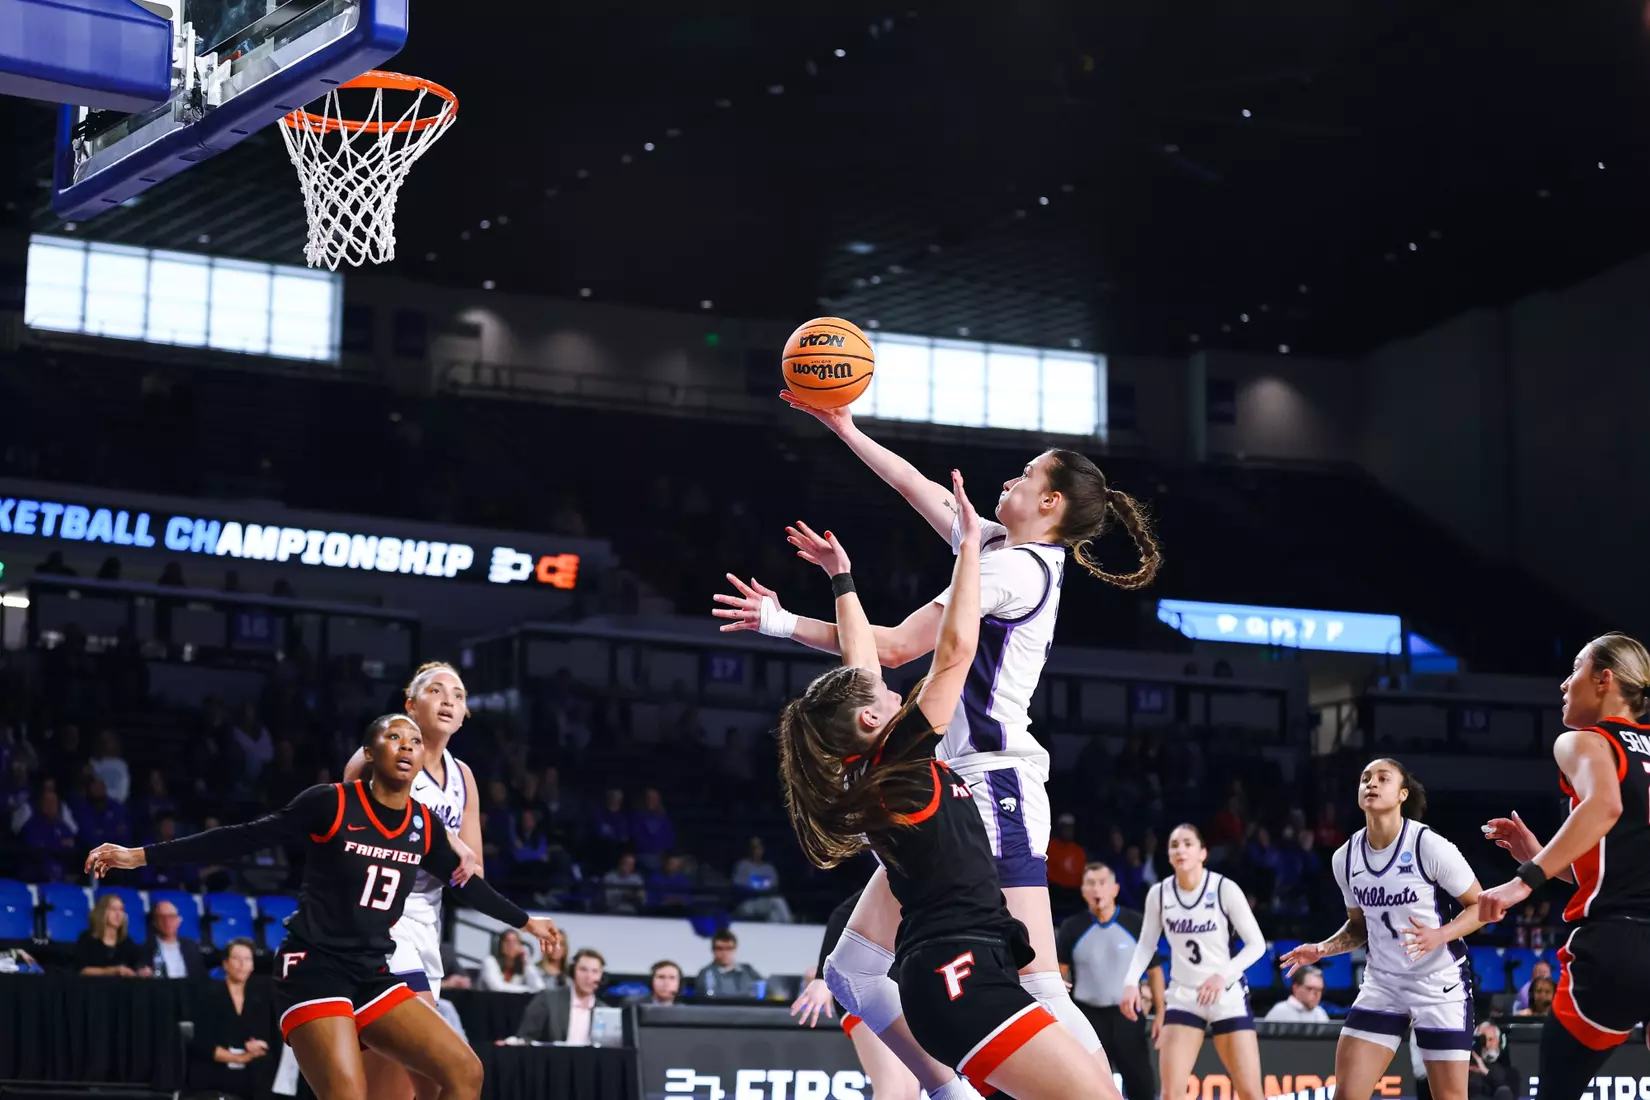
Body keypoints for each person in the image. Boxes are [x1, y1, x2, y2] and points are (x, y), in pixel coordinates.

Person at [717, 426, 1160, 1084]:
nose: (1009, 481)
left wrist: (787, 622)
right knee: (850, 968)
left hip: (993, 782)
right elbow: (908, 483)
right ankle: (948, 1086)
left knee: (1038, 979)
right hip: (942, 776)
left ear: (1052, 504)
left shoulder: (1009, 567)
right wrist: (843, 425)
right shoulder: (997, 544)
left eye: (1026, 475)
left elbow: (893, 651)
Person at [86, 713, 559, 1100]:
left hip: (373, 971)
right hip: (313, 966)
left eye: (414, 740)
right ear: (370, 755)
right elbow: (240, 838)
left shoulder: (423, 823)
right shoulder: (331, 803)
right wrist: (139, 856)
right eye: (394, 737)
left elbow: (467, 885)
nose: (408, 746)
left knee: (464, 1072)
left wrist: (526, 921)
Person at [1479, 633, 1650, 1100]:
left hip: (1618, 945)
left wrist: (1524, 880)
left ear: (1603, 680)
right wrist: (1540, 855)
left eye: (1574, 669)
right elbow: (1617, 861)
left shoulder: (1585, 740)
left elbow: (1604, 806)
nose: (1562, 685)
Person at [1282, 760, 1485, 1100]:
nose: (1371, 784)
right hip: (1384, 985)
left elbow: (1482, 906)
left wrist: (1440, 935)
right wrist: (1322, 949)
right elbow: (1358, 926)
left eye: (1382, 778)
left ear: (1403, 794)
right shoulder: (1345, 858)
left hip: (1439, 983)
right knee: (1347, 1095)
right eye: (1365, 779)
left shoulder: (1428, 846)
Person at [344, 662, 484, 1100]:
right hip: (379, 921)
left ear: (464, 716)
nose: (448, 700)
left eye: (458, 695)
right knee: (450, 1070)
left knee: (399, 1085)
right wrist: (444, 843)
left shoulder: (464, 777)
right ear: (410, 704)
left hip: (427, 925)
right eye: (436, 691)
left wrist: (520, 919)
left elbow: (472, 867)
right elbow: (357, 833)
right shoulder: (377, 757)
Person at [1122, 825, 1266, 1100]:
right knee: (1170, 1094)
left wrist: (1222, 975)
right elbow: (1145, 945)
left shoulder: (1224, 888)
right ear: (1168, 855)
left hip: (1226, 996)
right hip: (1184, 995)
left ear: (1203, 853)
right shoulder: (1159, 894)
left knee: (1251, 1093)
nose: (1180, 850)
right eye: (1174, 845)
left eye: (1187, 844)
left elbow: (1257, 945)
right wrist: (1130, 982)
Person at [792, 889, 921, 1100]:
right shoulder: (905, 872)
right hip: (862, 985)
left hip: (898, 991)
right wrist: (820, 978)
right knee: (892, 1090)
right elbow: (843, 913)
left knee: (909, 1094)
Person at [1056, 862, 1163, 1100]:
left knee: (1141, 1087)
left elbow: (1155, 970)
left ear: (1115, 889)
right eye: (1091, 884)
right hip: (1087, 1018)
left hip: (1128, 1017)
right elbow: (1059, 974)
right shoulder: (1071, 928)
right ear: (1083, 890)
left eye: (1103, 883)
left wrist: (1161, 1014)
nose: (1097, 890)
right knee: (1088, 1087)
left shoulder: (1135, 923)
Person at [189, 937, 275, 1100]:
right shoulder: (209, 994)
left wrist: (262, 1045)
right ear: (225, 964)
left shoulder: (261, 996)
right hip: (218, 1066)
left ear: (253, 965)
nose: (242, 964)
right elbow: (202, 1044)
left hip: (253, 1069)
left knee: (265, 1070)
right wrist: (239, 1058)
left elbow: (270, 1036)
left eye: (247, 959)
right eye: (236, 958)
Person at [514, 948, 607, 1043]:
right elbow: (525, 1038)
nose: (588, 976)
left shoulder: (605, 1012)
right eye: (583, 970)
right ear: (573, 971)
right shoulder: (547, 999)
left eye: (595, 971)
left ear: (601, 976)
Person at [76, 893, 151, 976]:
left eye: (121, 910)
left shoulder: (126, 941)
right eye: (113, 909)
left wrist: (141, 970)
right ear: (101, 912)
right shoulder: (87, 938)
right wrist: (112, 971)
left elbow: (137, 964)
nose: (118, 914)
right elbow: (82, 970)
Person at [695, 929, 763, 999]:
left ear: (735, 949)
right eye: (719, 949)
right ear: (713, 950)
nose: (724, 953)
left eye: (729, 948)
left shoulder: (748, 970)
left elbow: (766, 990)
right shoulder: (706, 973)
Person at [148, 898, 206, 979]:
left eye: (171, 917)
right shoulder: (146, 949)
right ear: (155, 922)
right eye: (162, 917)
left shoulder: (192, 947)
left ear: (178, 920)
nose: (167, 922)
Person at [480, 929, 543, 993]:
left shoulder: (522, 964)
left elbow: (539, 987)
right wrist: (528, 990)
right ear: (500, 945)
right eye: (507, 941)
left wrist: (526, 961)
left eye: (515, 942)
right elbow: (497, 988)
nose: (511, 945)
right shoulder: (490, 961)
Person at [1264, 966, 1329, 1023]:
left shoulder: (1321, 1014)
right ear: (1295, 988)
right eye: (1310, 988)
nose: (1316, 994)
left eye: (1319, 990)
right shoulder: (1279, 1012)